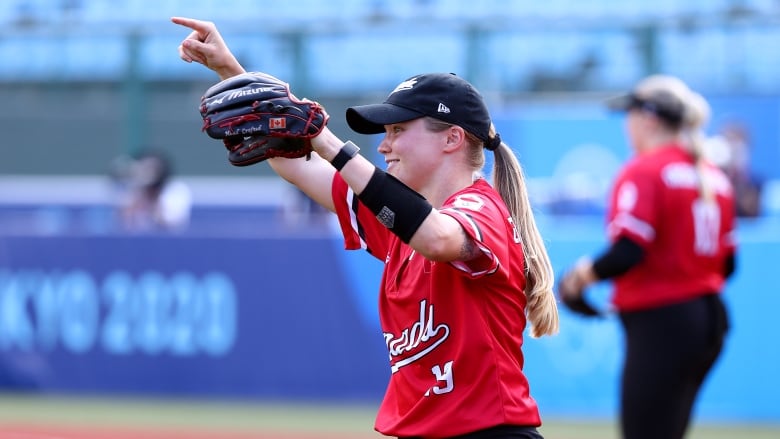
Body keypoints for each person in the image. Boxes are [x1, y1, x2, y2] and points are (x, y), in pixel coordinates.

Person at [172, 16, 559, 439]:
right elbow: (296, 162)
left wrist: (329, 142)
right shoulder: (400, 222)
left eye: (397, 130)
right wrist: (232, 71)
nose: (383, 144)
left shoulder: (479, 209)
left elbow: (437, 237)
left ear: (451, 139)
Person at [558, 75, 737, 439]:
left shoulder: (645, 170)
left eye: (630, 114)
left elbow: (628, 252)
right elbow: (729, 264)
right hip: (709, 318)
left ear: (649, 118)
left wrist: (577, 278)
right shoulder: (713, 176)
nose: (627, 124)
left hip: (662, 322)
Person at [109, 148, 192, 232]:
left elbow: (171, 223)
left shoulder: (176, 189)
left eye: (150, 169)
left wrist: (151, 198)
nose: (145, 173)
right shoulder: (133, 188)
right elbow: (123, 223)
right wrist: (138, 193)